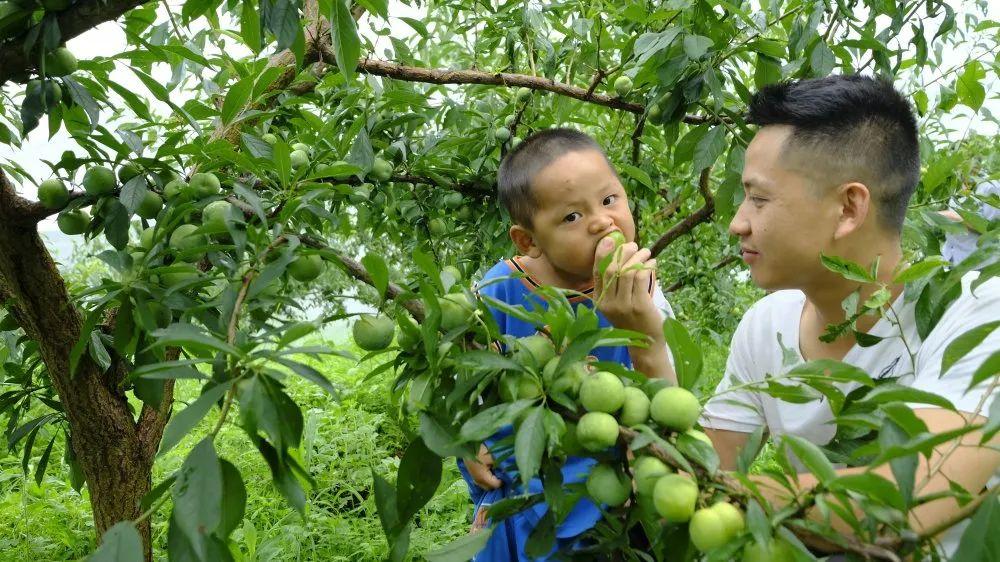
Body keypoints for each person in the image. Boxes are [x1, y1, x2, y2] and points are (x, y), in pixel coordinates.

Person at [698, 75, 999, 557]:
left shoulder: (977, 311)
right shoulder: (765, 324)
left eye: (758, 198)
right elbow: (708, 464)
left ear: (848, 208)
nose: (738, 222)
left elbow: (904, 505)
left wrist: (712, 495)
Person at [460, 128, 676, 560]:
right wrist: (468, 441)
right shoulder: (497, 291)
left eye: (610, 200)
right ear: (529, 240)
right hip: (521, 492)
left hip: (611, 491)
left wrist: (642, 323)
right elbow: (469, 381)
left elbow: (666, 395)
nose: (602, 221)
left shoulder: (640, 288)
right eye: (572, 217)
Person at [939, 179, 999, 266]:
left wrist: (951, 217)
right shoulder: (959, 181)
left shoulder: (993, 186)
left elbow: (991, 229)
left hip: (975, 265)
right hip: (949, 256)